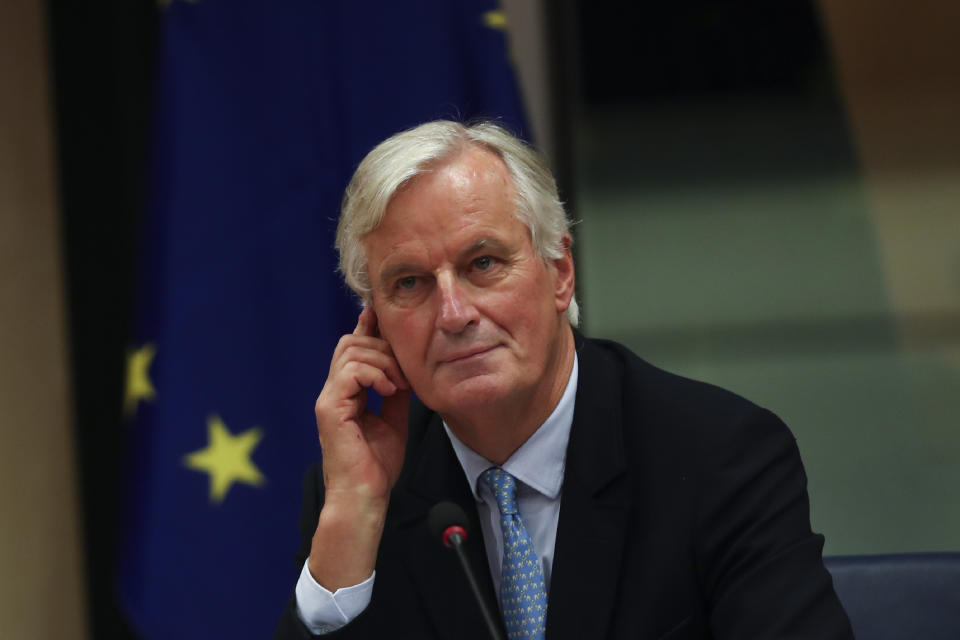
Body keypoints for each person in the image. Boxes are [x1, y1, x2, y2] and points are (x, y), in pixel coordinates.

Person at [273, 121, 853, 639]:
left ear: (560, 273)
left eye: (483, 264)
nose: (452, 314)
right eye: (409, 283)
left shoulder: (718, 457)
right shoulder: (363, 487)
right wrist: (353, 511)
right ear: (375, 326)